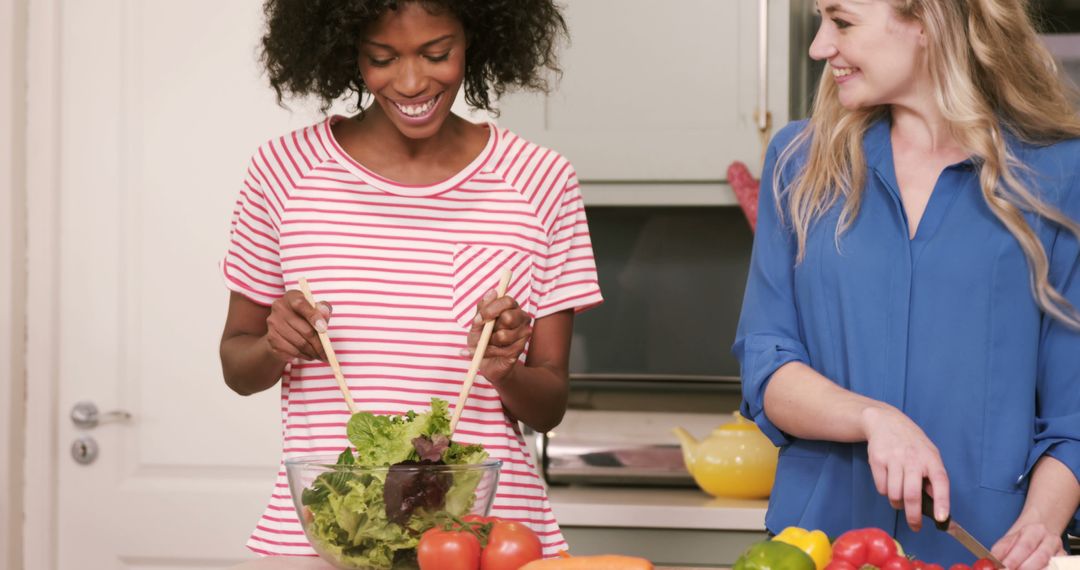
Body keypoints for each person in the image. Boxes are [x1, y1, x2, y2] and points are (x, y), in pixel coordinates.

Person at [218, 0, 602, 558]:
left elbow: (550, 406)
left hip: (490, 540)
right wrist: (276, 344)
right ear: (347, 49)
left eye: (437, 53)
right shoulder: (283, 172)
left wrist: (503, 371)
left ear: (475, 38)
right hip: (331, 537)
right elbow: (237, 367)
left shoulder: (540, 180)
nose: (412, 81)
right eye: (381, 58)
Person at [734, 1, 1080, 567]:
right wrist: (874, 419)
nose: (820, 47)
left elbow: (1074, 414)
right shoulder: (799, 162)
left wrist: (1039, 527)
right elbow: (766, 366)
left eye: (842, 22)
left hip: (981, 549)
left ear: (927, 20)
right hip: (815, 547)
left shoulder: (1061, 175)